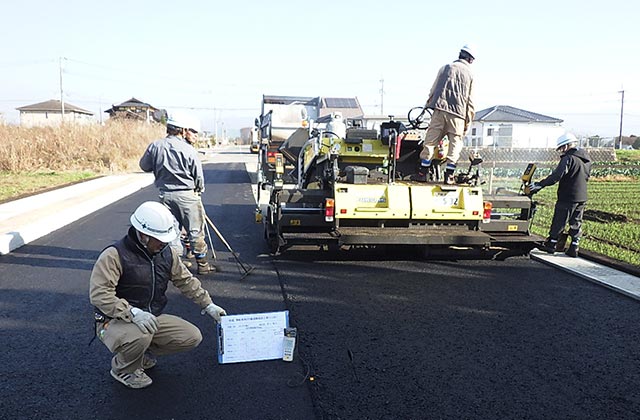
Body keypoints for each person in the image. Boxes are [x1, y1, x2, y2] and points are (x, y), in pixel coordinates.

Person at [89, 201, 227, 389]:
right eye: (160, 240)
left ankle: (138, 354)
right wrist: (134, 313)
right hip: (112, 320)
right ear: (144, 236)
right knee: (141, 334)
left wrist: (208, 305)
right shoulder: (115, 255)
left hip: (149, 317)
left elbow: (185, 280)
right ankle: (123, 368)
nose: (164, 244)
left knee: (191, 336)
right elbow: (100, 295)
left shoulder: (165, 253)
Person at [139, 111, 212, 274]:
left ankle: (176, 263)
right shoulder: (189, 150)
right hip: (187, 195)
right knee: (195, 230)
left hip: (165, 195)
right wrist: (198, 190)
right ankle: (203, 265)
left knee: (172, 230)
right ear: (182, 130)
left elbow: (144, 166)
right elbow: (198, 176)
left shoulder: (155, 146)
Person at [413, 44, 476, 184]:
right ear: (470, 59)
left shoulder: (445, 68)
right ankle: (449, 176)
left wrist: (428, 105)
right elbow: (470, 101)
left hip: (440, 110)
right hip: (458, 115)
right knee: (455, 144)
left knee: (430, 142)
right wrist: (468, 120)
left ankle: (422, 173)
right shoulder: (470, 74)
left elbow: (433, 89)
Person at [530, 132, 592, 257]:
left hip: (567, 195)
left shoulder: (568, 158)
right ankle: (574, 247)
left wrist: (540, 184)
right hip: (582, 196)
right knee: (576, 221)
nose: (561, 151)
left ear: (567, 146)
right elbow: (587, 176)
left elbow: (557, 175)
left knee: (560, 220)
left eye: (561, 148)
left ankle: (551, 245)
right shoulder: (586, 159)